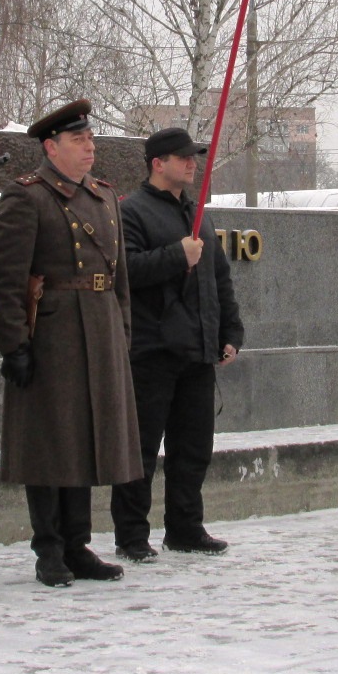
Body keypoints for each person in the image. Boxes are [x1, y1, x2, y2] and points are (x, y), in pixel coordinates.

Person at [0, 100, 143, 587]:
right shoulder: (27, 197)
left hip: (98, 330)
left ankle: (79, 545)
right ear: (51, 148)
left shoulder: (104, 196)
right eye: (79, 141)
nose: (90, 147)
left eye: (91, 139)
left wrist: (121, 334)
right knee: (51, 444)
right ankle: (49, 549)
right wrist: (15, 345)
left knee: (88, 441)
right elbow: (4, 279)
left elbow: (119, 281)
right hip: (52, 333)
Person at [110, 127, 244, 562]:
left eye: (194, 157)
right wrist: (175, 256)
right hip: (152, 351)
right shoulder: (132, 211)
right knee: (142, 450)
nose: (192, 164)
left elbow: (218, 278)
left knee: (193, 448)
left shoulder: (197, 212)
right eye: (183, 157)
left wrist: (230, 331)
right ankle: (131, 535)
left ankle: (185, 527)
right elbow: (123, 271)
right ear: (158, 163)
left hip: (197, 350)